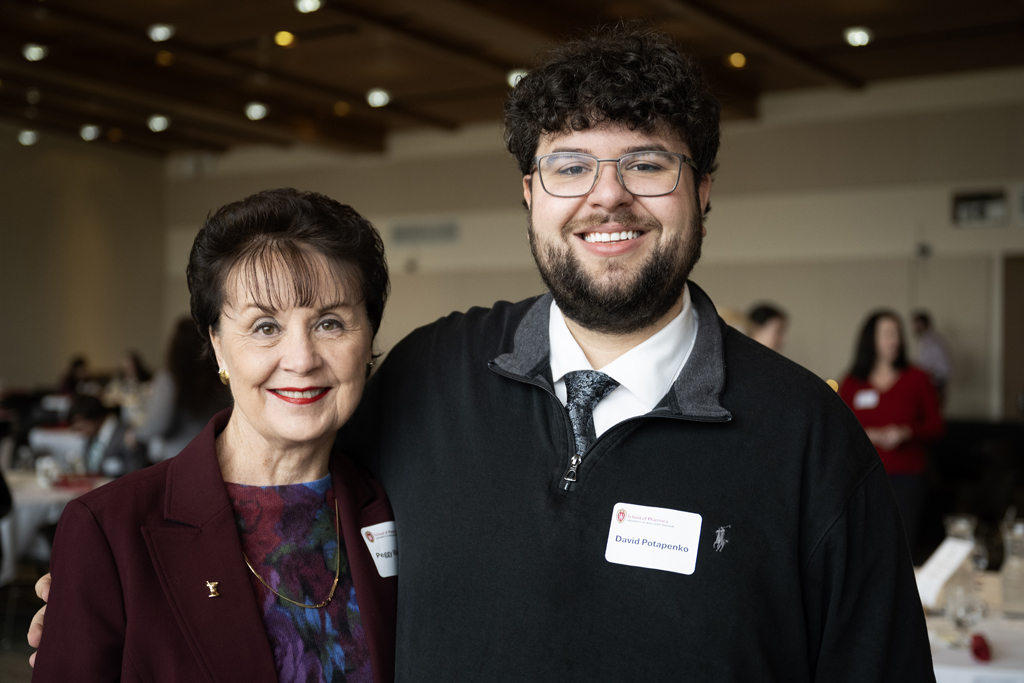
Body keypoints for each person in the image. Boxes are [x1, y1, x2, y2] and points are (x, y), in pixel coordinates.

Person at [31, 25, 934, 681]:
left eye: (647, 164)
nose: (606, 198)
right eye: (570, 165)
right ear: (531, 195)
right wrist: (113, 589)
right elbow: (280, 490)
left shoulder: (808, 436)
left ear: (702, 190)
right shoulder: (430, 374)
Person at [30, 189, 398, 682]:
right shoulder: (108, 531)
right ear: (218, 345)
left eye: (330, 323)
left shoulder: (401, 504)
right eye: (265, 327)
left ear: (368, 338)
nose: (302, 358)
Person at [839, 311, 944, 563]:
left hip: (908, 479)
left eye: (897, 333)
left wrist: (907, 432)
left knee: (903, 547)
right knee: (865, 548)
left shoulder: (917, 378)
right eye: (887, 334)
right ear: (871, 339)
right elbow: (840, 430)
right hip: (864, 479)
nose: (894, 340)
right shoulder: (852, 383)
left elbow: (937, 426)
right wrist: (868, 435)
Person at [130, 318, 231, 462]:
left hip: (176, 457)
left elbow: (160, 424)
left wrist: (135, 435)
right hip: (212, 455)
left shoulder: (170, 379)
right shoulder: (219, 378)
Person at [103, 350, 153, 428]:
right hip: (126, 421)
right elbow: (107, 399)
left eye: (130, 367)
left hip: (143, 420)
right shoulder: (119, 384)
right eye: (124, 368)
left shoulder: (147, 384)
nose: (128, 371)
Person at [911, 310, 952, 405]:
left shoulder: (931, 341)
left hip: (935, 382)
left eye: (916, 325)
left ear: (922, 324)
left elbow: (924, 366)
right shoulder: (929, 339)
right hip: (935, 381)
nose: (914, 328)